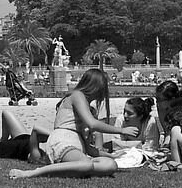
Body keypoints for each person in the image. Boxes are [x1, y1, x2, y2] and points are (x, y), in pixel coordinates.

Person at [8, 68, 138, 179]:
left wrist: (112, 156)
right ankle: (33, 173)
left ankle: (72, 169)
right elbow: (92, 124)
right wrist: (121, 130)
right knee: (87, 164)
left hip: (77, 147)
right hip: (63, 142)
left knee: (110, 165)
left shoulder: (87, 106)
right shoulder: (77, 95)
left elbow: (89, 149)